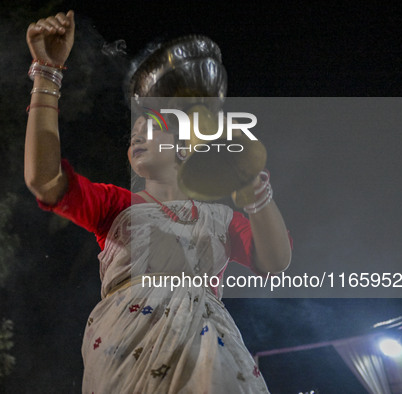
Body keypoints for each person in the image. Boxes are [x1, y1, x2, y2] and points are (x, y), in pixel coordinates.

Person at [24, 10, 292, 393]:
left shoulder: (221, 218)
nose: (136, 136)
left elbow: (275, 262)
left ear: (186, 147)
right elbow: (43, 179)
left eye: (149, 127)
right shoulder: (116, 205)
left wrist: (255, 196)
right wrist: (47, 73)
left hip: (206, 345)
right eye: (134, 132)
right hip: (125, 348)